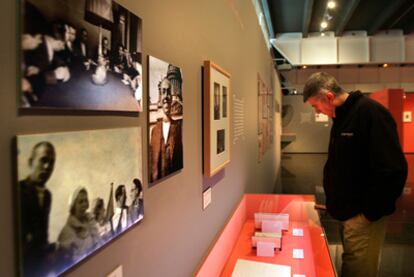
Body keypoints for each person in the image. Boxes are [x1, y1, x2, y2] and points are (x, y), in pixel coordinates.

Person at [303, 72, 408, 277]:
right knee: (352, 264)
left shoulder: (370, 113)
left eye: (317, 106)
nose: (319, 111)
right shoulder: (342, 117)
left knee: (358, 270)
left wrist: (367, 215)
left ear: (329, 97)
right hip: (349, 213)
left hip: (363, 218)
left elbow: (394, 170)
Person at [19, 142, 56, 277]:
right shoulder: (18, 191)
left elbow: (42, 235)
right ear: (31, 162)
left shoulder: (47, 196)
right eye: (43, 160)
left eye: (51, 162)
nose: (47, 167)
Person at [150, 78, 183, 182]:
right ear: (160, 96)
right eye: (163, 91)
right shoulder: (154, 131)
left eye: (168, 92)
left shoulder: (178, 128)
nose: (166, 97)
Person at [58, 187, 99, 264]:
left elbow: (98, 243)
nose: (84, 204)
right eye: (80, 202)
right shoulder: (66, 232)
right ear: (73, 206)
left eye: (85, 200)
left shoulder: (90, 222)